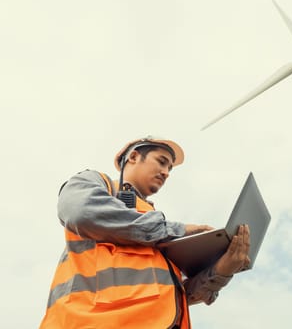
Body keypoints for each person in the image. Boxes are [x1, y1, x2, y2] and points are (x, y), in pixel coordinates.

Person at [40, 137, 251, 329]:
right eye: (161, 161)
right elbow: (80, 211)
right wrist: (178, 229)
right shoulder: (95, 183)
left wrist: (223, 270)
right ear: (133, 156)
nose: (167, 172)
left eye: (170, 168)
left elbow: (177, 296)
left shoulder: (154, 226)